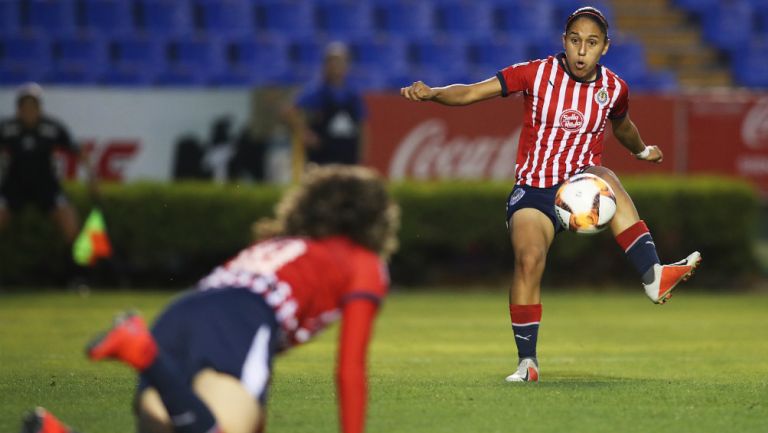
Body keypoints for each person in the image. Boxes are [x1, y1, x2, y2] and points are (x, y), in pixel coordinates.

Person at [400, 6, 701, 383]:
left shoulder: (614, 88)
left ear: (605, 48)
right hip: (534, 191)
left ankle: (653, 275)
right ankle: (527, 363)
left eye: (591, 44)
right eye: (575, 41)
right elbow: (473, 92)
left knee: (604, 174)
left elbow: (622, 126)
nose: (581, 51)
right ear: (564, 41)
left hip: (581, 187)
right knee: (528, 260)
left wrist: (641, 151)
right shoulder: (536, 73)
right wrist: (433, 94)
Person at [21, 164, 400, 433]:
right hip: (242, 317)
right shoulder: (363, 262)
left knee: (179, 425)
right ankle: (144, 355)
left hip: (184, 311)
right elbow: (349, 369)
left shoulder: (279, 245)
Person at [0, 83, 90, 250]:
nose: (29, 111)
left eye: (33, 106)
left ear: (40, 108)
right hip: (13, 185)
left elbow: (77, 151)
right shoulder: (6, 128)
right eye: (25, 106)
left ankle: (78, 271)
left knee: (69, 221)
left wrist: (92, 179)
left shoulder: (52, 128)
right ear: (18, 109)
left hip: (46, 185)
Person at [288, 41, 368, 166]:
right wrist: (305, 133)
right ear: (325, 65)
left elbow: (362, 125)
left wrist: (362, 154)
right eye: (332, 62)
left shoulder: (352, 94)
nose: (336, 66)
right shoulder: (316, 91)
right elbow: (290, 112)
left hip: (347, 156)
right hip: (322, 157)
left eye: (341, 62)